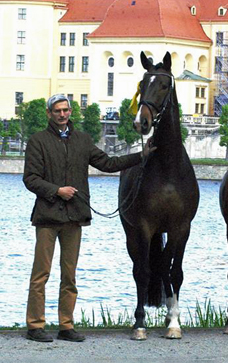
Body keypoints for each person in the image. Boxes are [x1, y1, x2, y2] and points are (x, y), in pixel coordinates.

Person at [23, 94, 155, 343]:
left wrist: (141, 156)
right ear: (49, 113)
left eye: (66, 110)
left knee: (69, 275)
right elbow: (30, 178)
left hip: (75, 217)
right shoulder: (38, 141)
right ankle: (35, 325)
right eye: (57, 111)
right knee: (41, 274)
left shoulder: (82, 140)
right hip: (48, 217)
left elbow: (108, 163)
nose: (62, 115)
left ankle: (66, 325)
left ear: (70, 111)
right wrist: (57, 191)